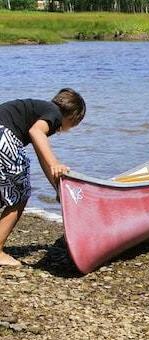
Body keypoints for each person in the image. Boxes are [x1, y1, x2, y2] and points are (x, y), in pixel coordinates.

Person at [0, 88, 85, 266]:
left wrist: (57, 187)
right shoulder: (54, 114)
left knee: (4, 193)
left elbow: (41, 156)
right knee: (20, 195)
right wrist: (55, 162)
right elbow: (36, 132)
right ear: (72, 117)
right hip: (4, 136)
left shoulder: (40, 109)